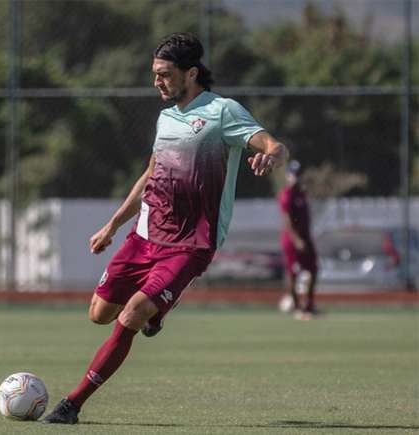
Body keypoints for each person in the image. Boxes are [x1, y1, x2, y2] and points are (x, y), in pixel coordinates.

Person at [42, 32, 289, 424]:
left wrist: (271, 156)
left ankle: (71, 404)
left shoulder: (222, 111)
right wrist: (111, 226)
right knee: (99, 314)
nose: (157, 81)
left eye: (165, 74)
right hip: (144, 236)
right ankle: (159, 312)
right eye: (155, 73)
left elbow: (273, 144)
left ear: (191, 74)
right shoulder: (165, 118)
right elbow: (151, 176)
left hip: (191, 243)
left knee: (131, 314)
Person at [278, 160, 318, 320]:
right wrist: (296, 240)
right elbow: (287, 220)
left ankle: (308, 305)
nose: (297, 178)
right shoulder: (287, 195)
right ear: (289, 176)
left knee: (313, 270)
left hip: (306, 238)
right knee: (293, 273)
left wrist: (305, 238)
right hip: (292, 241)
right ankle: (296, 307)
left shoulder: (302, 194)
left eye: (298, 175)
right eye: (294, 175)